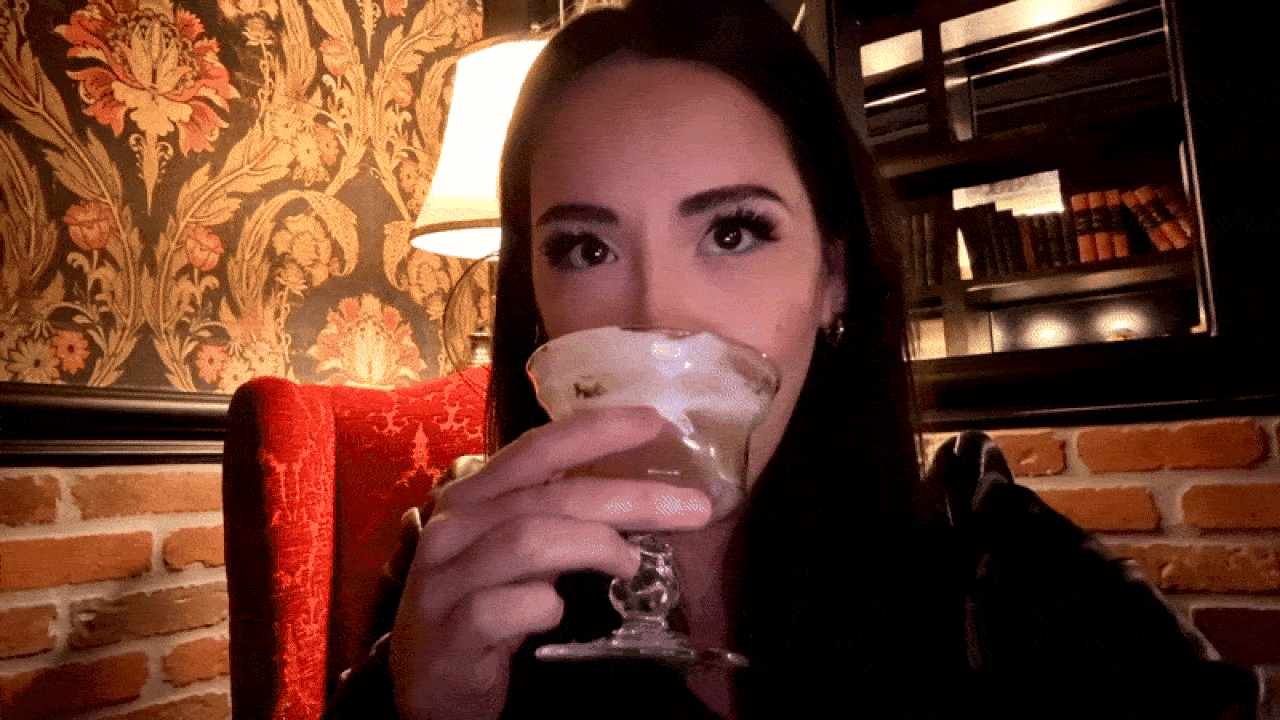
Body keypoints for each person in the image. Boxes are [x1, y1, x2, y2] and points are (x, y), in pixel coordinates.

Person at [325, 1, 1258, 718]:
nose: (659, 325)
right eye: (585, 248)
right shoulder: (456, 572)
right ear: (536, 306)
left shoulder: (983, 557)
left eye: (733, 232)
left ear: (832, 283)